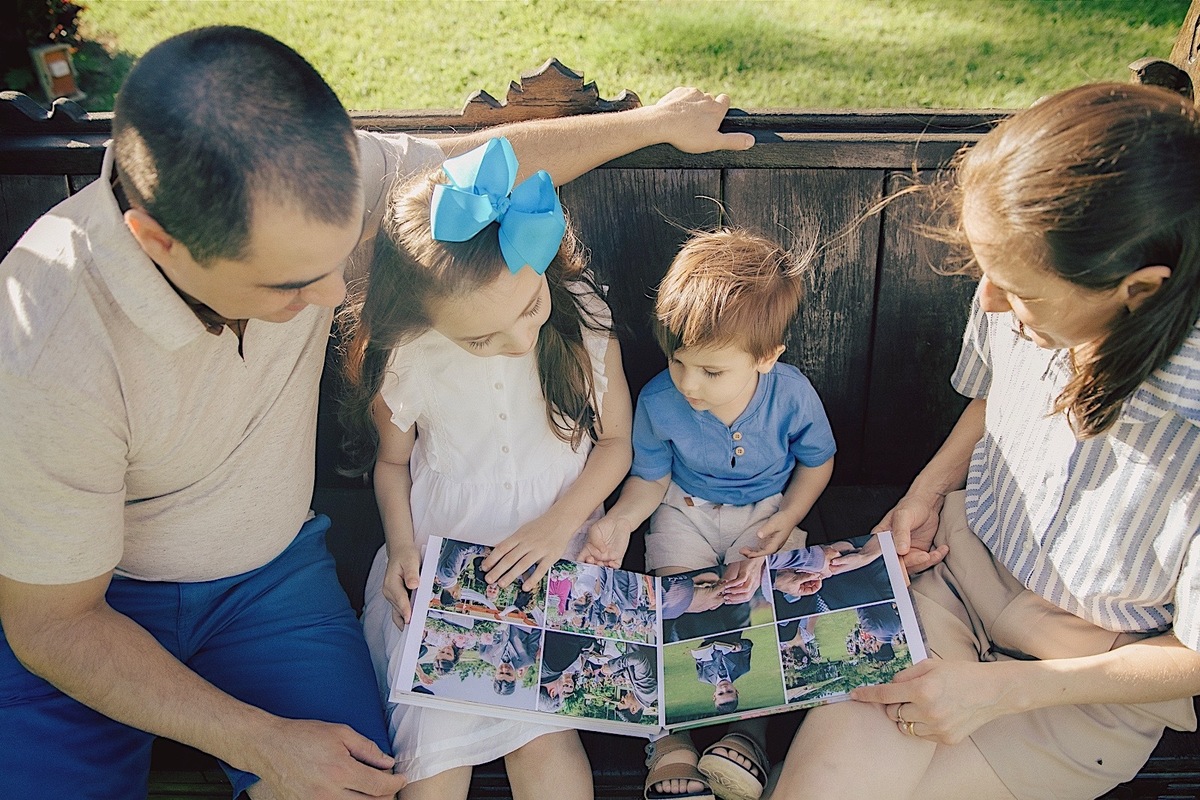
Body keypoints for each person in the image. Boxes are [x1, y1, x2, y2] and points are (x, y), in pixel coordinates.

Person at [0, 24, 754, 800]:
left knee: (355, 785)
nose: (332, 300)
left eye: (337, 261)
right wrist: (262, 741)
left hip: (268, 584)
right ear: (158, 241)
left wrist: (656, 124)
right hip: (97, 609)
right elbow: (53, 624)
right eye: (292, 283)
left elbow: (482, 174)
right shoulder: (46, 343)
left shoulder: (314, 180)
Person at [769, 83, 1200, 800]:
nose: (991, 301)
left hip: (1089, 683)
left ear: (1142, 291)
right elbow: (993, 394)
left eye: (1018, 290)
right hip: (954, 583)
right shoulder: (1014, 284)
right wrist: (926, 492)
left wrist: (1001, 690)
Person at [341, 135, 634, 799]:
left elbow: (618, 444)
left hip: (553, 560)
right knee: (433, 756)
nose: (518, 341)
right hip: (444, 562)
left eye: (529, 309)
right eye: (480, 339)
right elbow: (392, 467)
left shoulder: (581, 316)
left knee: (542, 742)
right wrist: (401, 550)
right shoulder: (411, 354)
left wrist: (560, 525)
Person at [582, 228, 836, 800]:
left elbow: (819, 461)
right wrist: (620, 521)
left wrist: (786, 517)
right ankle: (670, 738)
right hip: (685, 507)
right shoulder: (657, 401)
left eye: (712, 372)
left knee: (766, 606)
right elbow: (651, 479)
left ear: (766, 358)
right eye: (679, 362)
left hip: (767, 510)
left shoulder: (791, 395)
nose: (689, 385)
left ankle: (749, 734)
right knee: (674, 604)